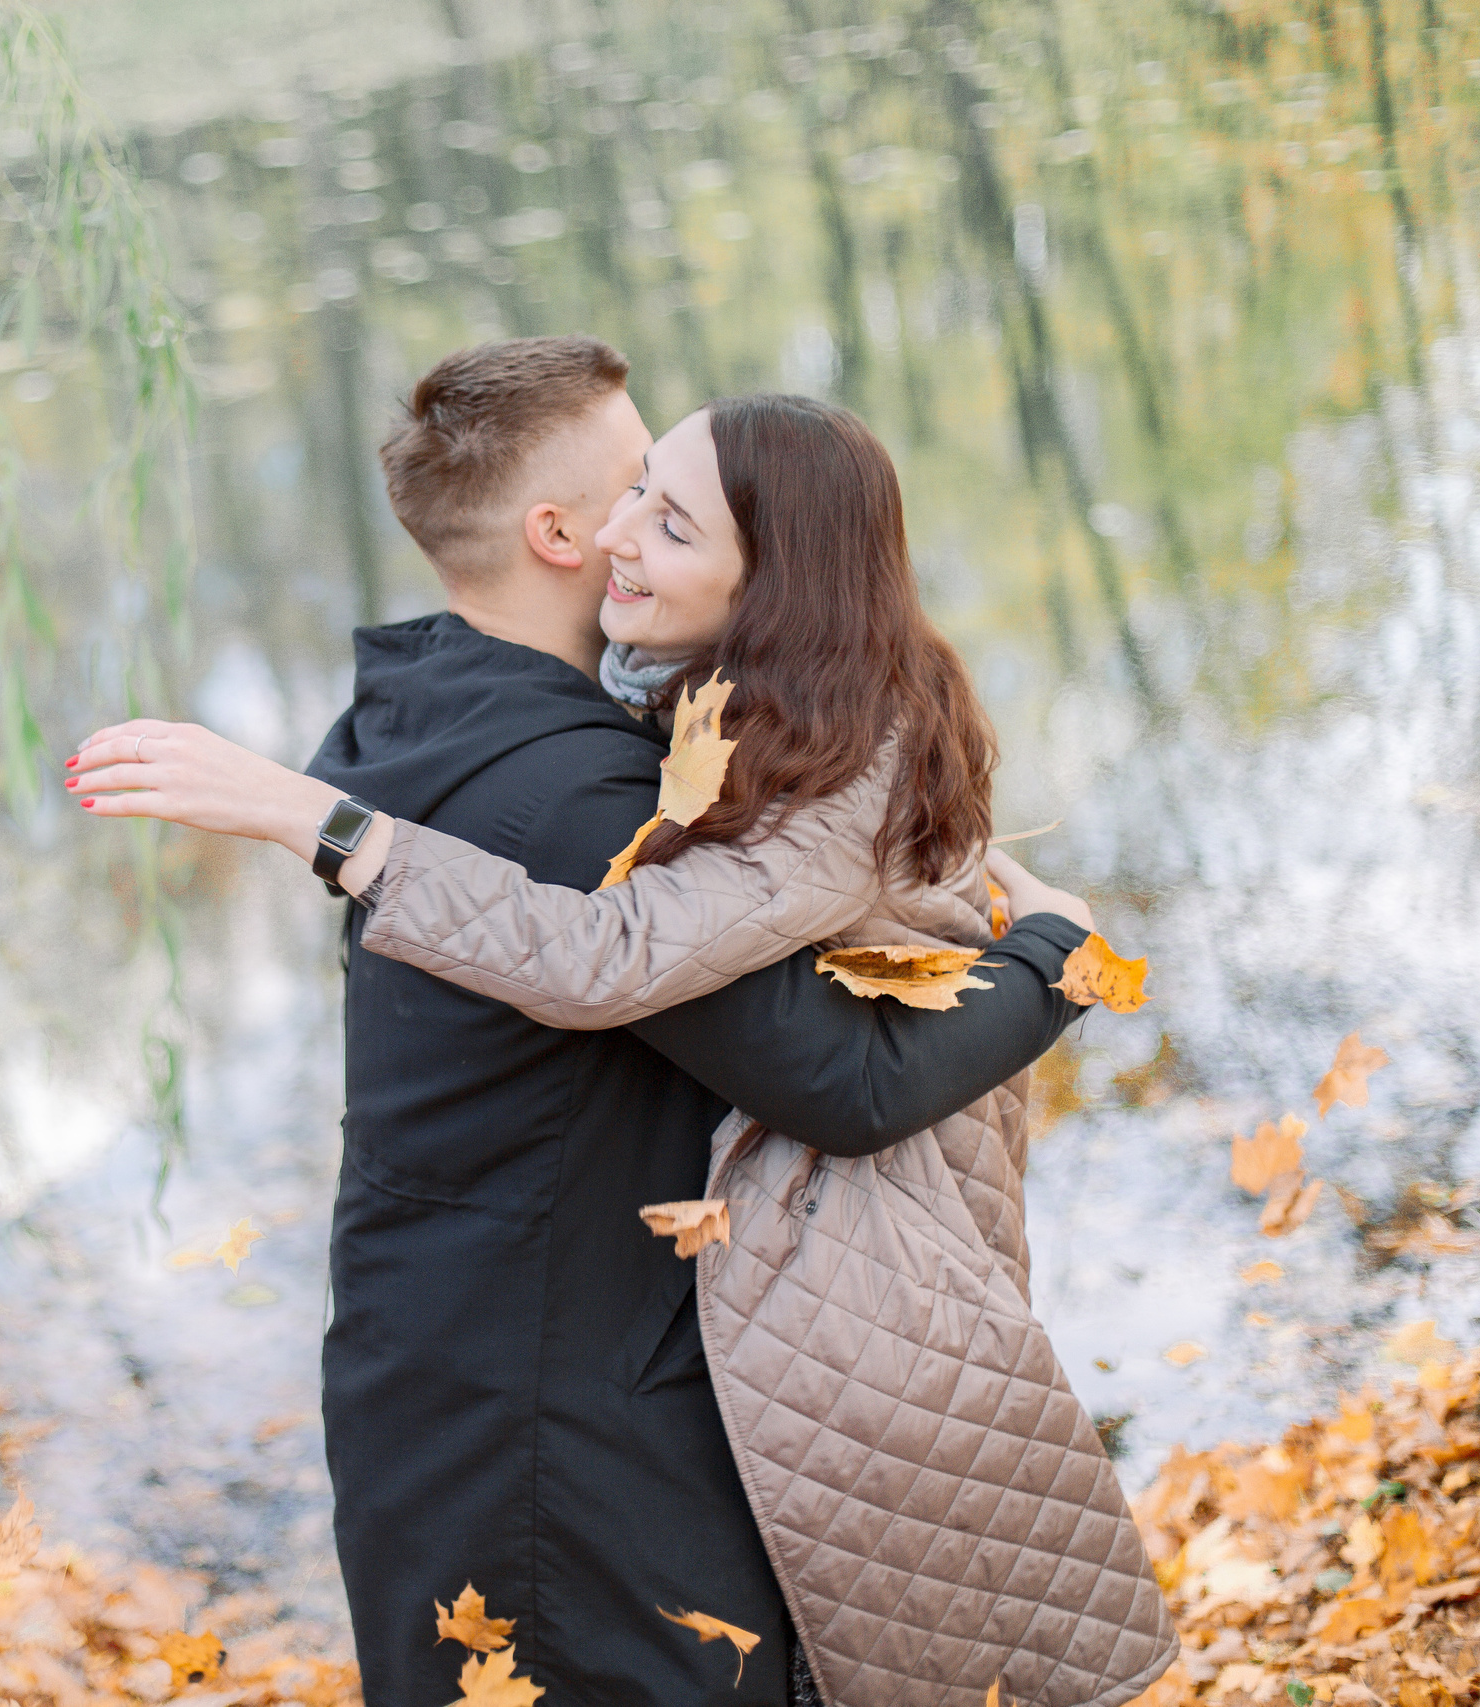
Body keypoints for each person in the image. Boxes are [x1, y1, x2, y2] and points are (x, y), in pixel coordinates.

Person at [72, 339, 1116, 1706]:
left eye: (665, 506)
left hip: (449, 1368)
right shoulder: (583, 804)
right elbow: (845, 1085)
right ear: (558, 533)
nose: (638, 522)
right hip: (563, 1423)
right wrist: (1055, 961)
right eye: (637, 490)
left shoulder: (424, 707)